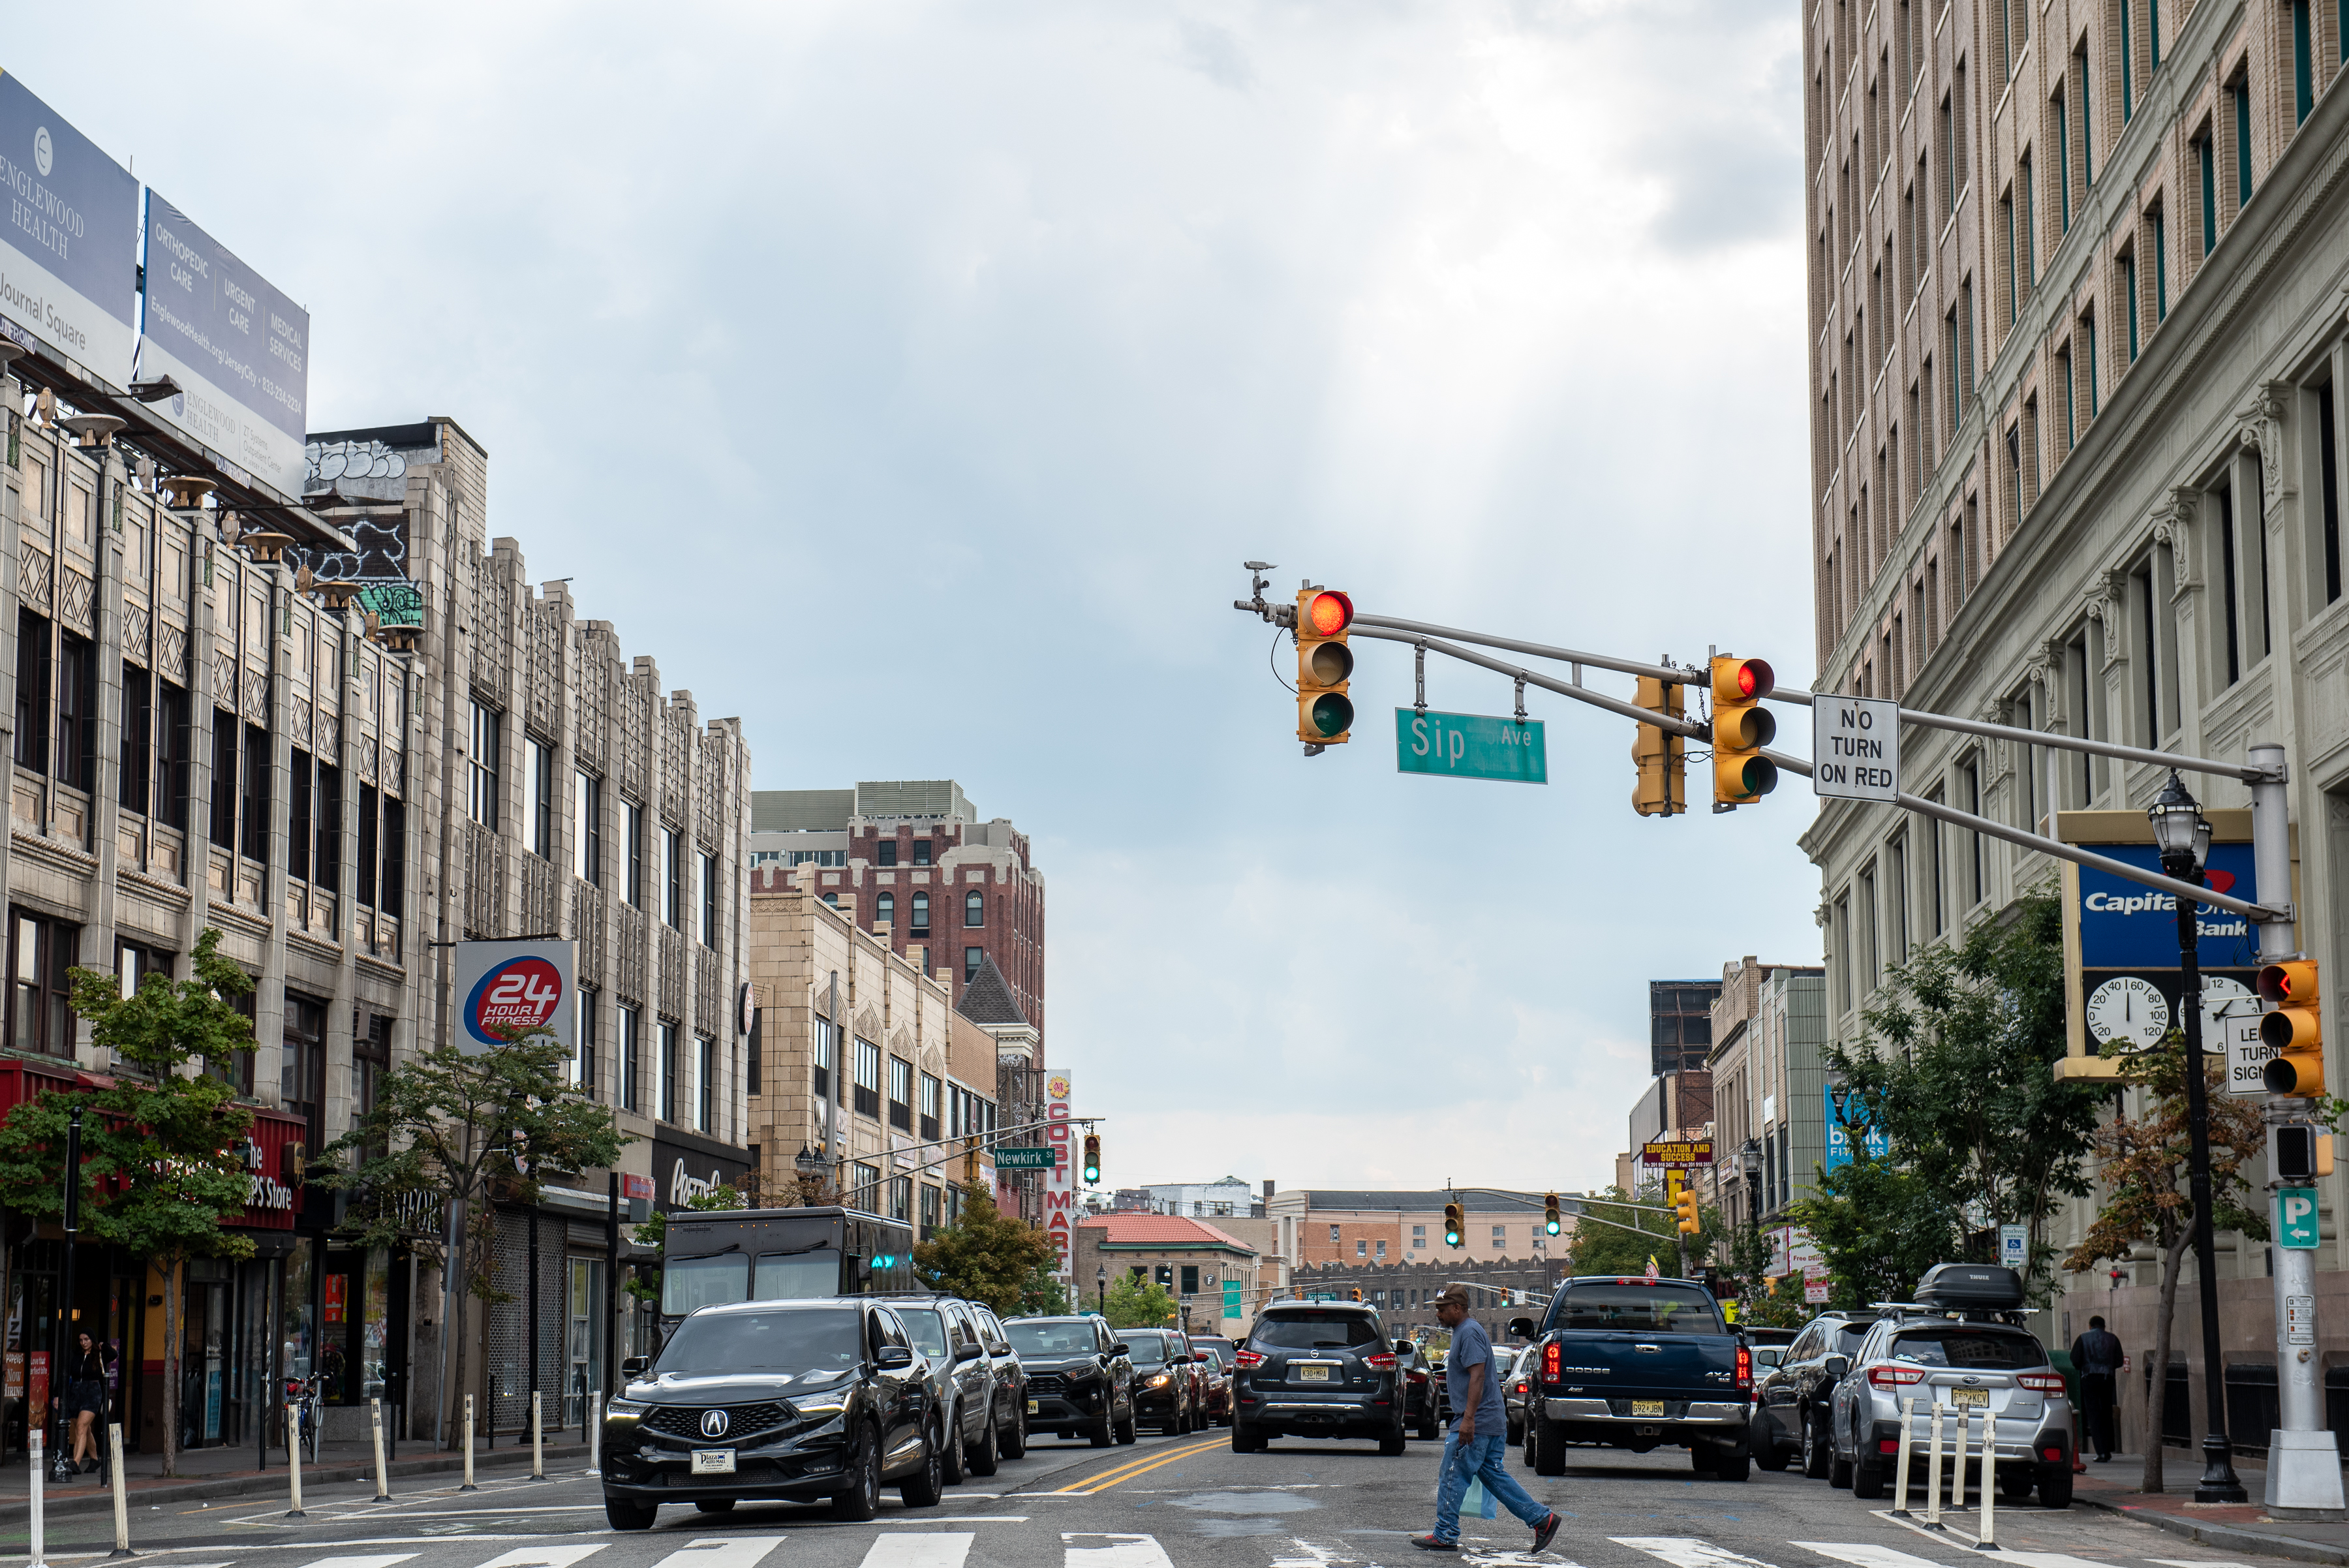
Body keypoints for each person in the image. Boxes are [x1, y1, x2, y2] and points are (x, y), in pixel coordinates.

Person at [1413, 1287, 1560, 1554]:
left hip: (1476, 1420)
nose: (1438, 1313)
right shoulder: (1466, 1331)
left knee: (1452, 1474)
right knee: (1494, 1476)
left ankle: (1445, 1534)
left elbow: (1477, 1376)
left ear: (1457, 1308)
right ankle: (1542, 1519)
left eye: (1442, 1308)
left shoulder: (1468, 1332)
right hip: (1490, 1419)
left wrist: (1468, 1420)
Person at [2069, 1314, 2123, 1462]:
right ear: (2104, 1326)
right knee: (2106, 1412)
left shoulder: (2083, 1338)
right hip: (2107, 1379)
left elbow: (2075, 1359)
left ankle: (2101, 1452)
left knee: (2094, 1414)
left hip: (2089, 1379)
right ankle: (2108, 1449)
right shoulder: (2113, 1339)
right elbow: (2119, 1361)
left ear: (2090, 1326)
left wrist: (2085, 1367)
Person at [65, 1330, 111, 1477]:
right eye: (81, 1340)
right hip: (76, 1391)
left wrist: (104, 1346)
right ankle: (94, 1459)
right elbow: (66, 1374)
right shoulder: (75, 1356)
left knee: (81, 1427)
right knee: (84, 1429)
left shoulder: (99, 1355)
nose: (84, 1343)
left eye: (86, 1339)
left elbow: (113, 1355)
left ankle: (76, 1462)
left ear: (92, 1340)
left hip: (92, 1392)